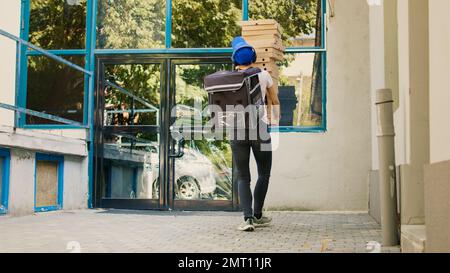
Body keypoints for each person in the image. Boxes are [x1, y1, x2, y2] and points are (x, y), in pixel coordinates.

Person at [230, 36, 280, 232]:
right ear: (254, 56)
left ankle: (247, 219)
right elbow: (273, 101)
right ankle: (258, 214)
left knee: (243, 176)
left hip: (236, 130)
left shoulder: (228, 77)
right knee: (264, 173)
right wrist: (274, 123)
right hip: (259, 128)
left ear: (234, 59)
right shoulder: (263, 75)